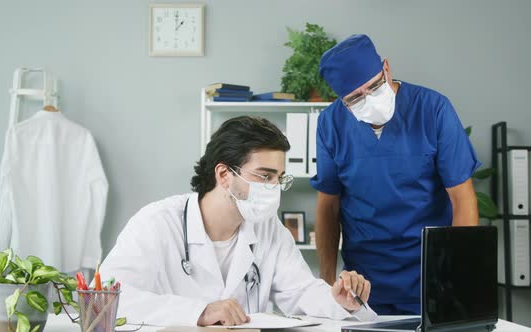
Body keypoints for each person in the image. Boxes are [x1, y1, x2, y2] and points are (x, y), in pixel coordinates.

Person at [100, 116, 377, 326]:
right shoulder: (157, 223)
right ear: (224, 174)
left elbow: (300, 290)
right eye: (264, 176)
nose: (274, 188)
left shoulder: (268, 229)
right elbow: (107, 300)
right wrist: (199, 312)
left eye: (279, 178)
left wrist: (339, 300)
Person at [310, 34, 480, 315]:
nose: (369, 99)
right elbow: (328, 207)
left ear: (386, 68)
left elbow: (462, 199)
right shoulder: (331, 123)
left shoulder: (433, 109)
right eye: (355, 98)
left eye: (374, 86)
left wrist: (456, 277)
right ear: (342, 101)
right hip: (363, 282)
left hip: (430, 275)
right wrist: (327, 282)